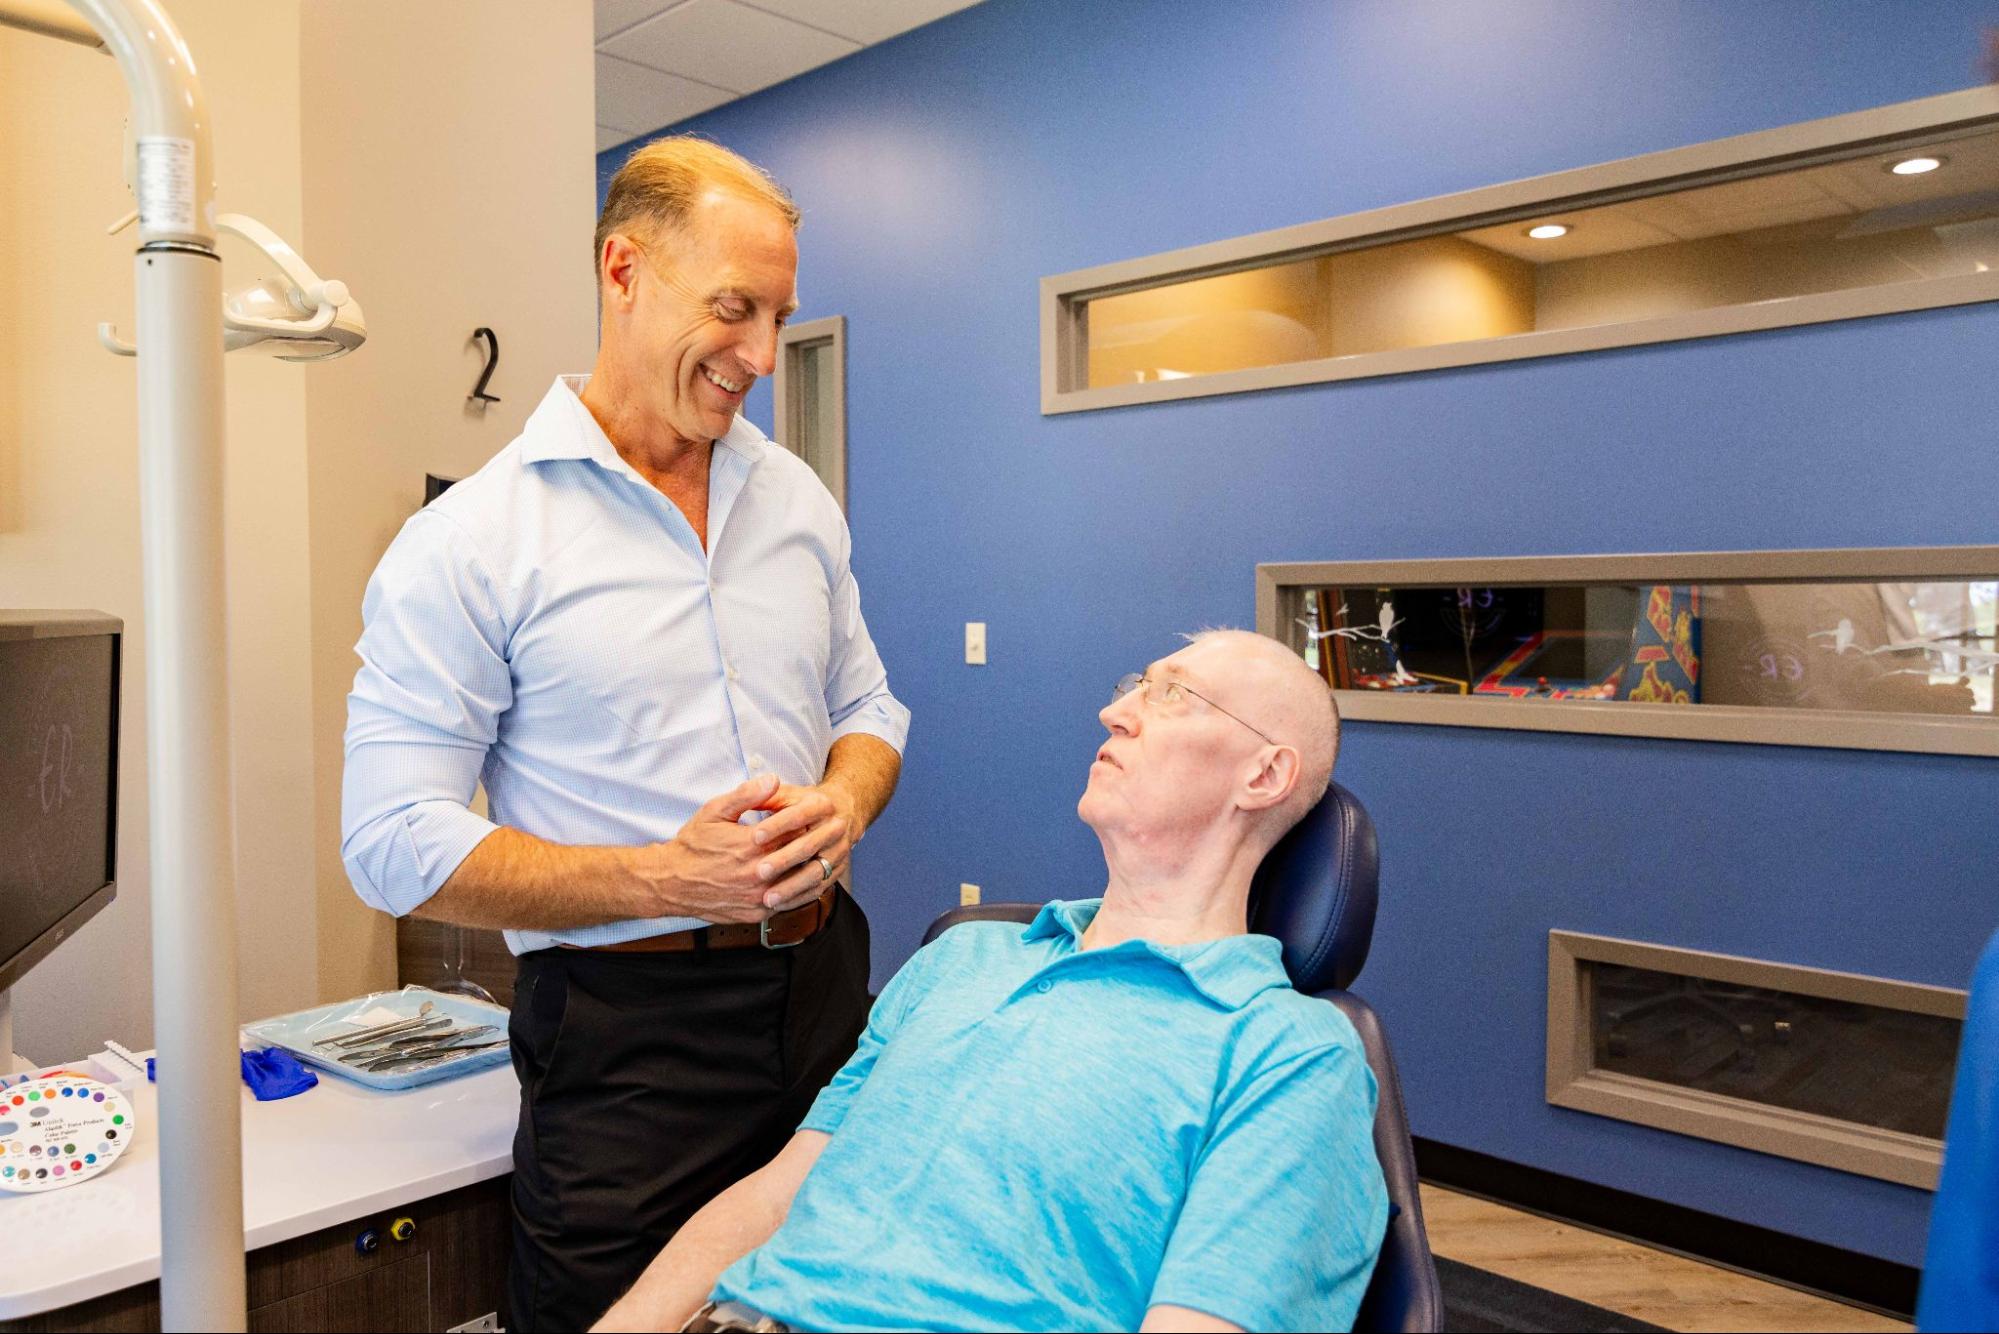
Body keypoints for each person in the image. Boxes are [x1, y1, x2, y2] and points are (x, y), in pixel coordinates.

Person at [339, 137, 909, 1332]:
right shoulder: (475, 543)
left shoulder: (794, 501)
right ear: (623, 270)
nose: (760, 355)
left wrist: (846, 800)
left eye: (779, 315)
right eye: (733, 310)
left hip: (826, 988)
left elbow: (869, 708)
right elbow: (389, 840)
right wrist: (665, 874)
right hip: (624, 1037)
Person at [597, 630, 1388, 1334]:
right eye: (1133, 687)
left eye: (1174, 695)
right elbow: (779, 1193)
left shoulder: (1288, 1054)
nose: (1116, 715)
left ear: (1264, 775)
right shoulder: (962, 959)